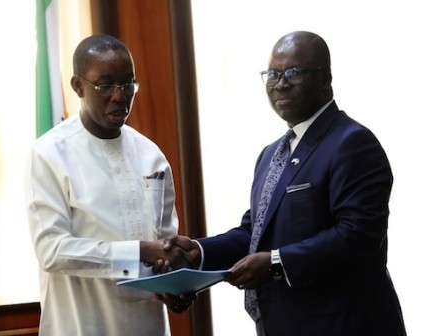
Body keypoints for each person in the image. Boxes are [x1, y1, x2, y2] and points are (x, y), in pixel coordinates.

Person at [161, 31, 407, 336]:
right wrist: (199, 251)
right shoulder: (270, 154)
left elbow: (358, 236)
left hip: (343, 325)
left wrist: (277, 263)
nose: (281, 83)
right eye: (273, 74)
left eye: (294, 72)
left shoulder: (353, 143)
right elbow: (256, 234)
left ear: (325, 80)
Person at [25, 34, 192, 336]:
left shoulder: (151, 155)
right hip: (81, 325)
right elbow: (52, 250)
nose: (120, 95)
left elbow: (164, 246)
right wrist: (140, 251)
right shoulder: (50, 153)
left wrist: (174, 283)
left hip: (148, 325)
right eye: (105, 85)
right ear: (78, 86)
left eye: (128, 84)